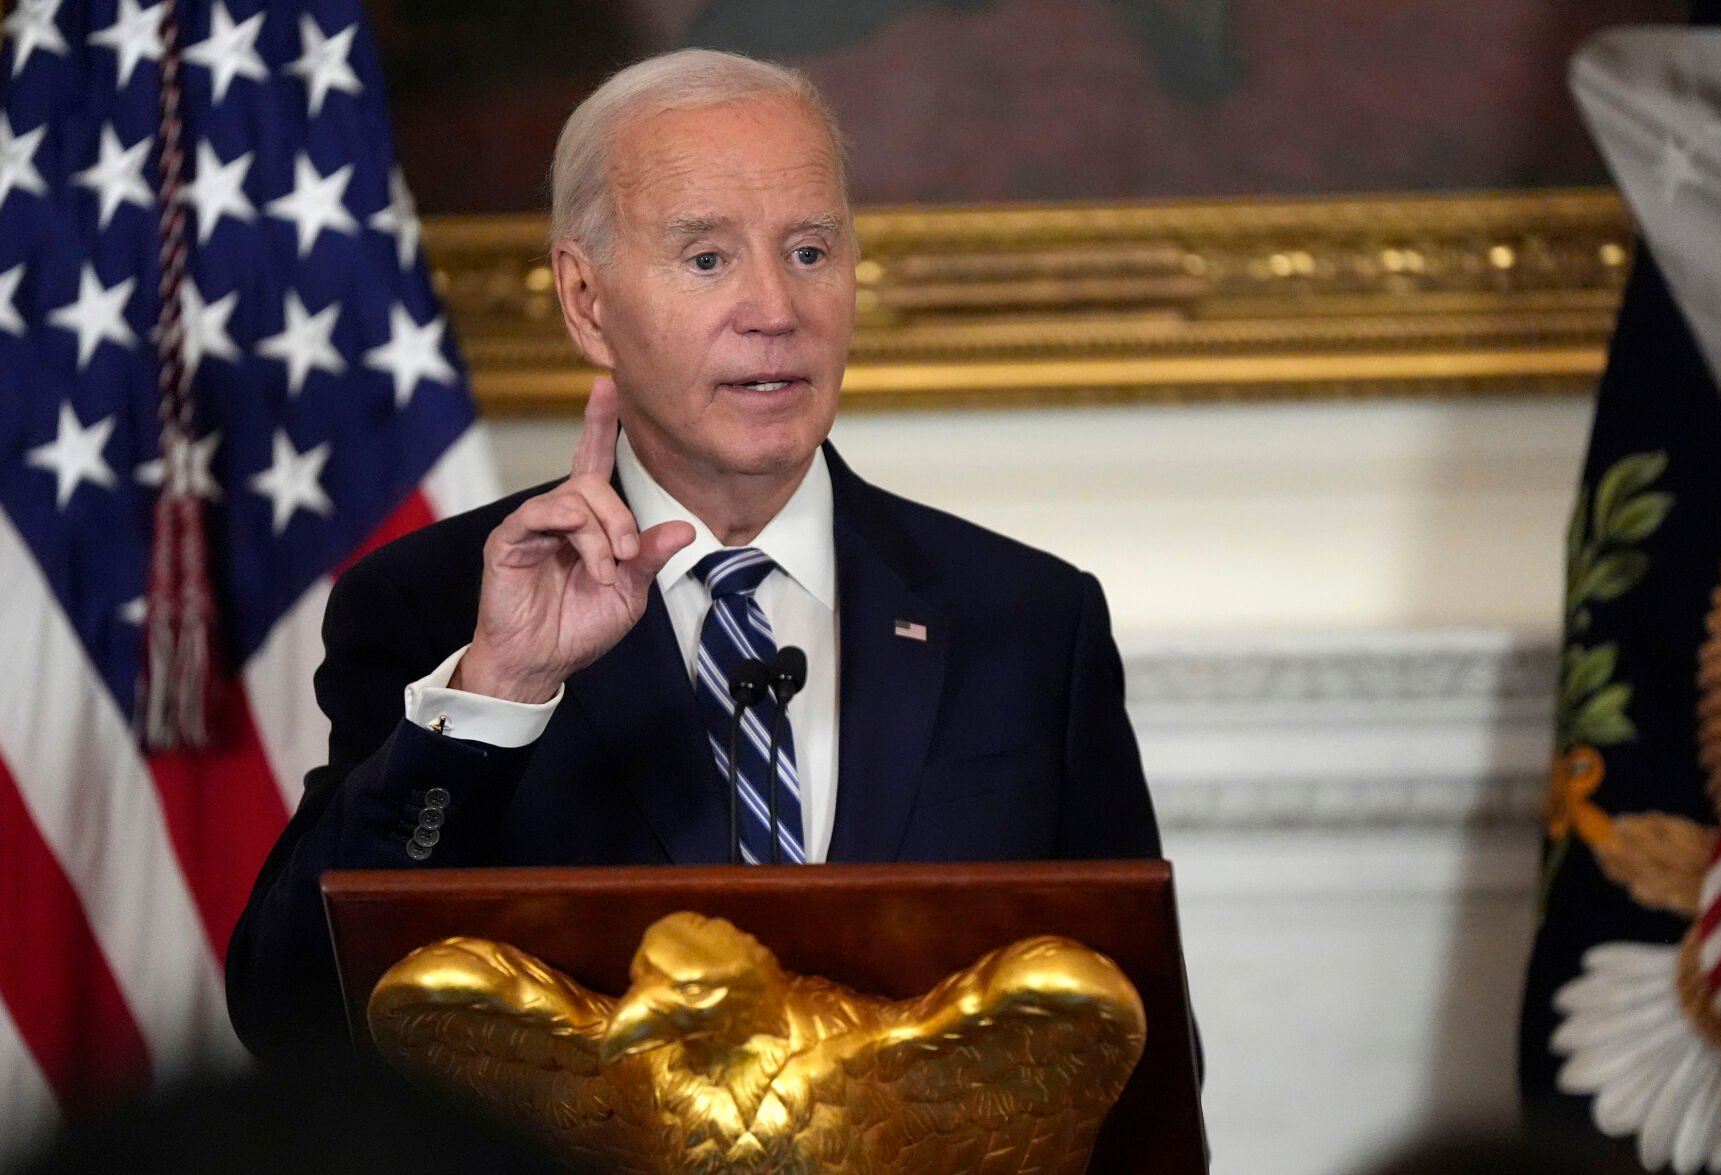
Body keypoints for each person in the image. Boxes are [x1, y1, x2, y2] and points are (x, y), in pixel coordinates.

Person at [226, 48, 1162, 1059]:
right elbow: (292, 1014)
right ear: (586, 300)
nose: (774, 309)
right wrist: (498, 692)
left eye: (808, 251)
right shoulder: (433, 606)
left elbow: (1125, 1039)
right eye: (707, 257)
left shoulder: (1026, 620)